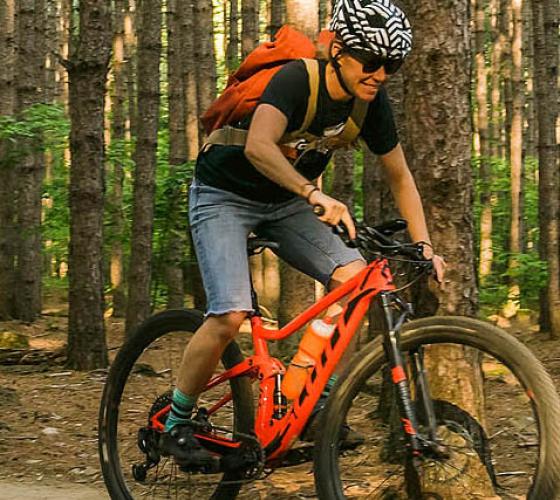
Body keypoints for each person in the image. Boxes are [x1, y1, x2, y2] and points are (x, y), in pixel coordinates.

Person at [159, 0, 446, 465]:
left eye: (391, 64)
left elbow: (400, 176)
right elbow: (258, 147)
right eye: (370, 61)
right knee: (230, 315)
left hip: (285, 202)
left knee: (353, 281)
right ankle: (177, 421)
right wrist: (315, 195)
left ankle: (312, 398)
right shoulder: (296, 79)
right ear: (339, 52)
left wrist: (426, 245)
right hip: (222, 196)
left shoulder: (371, 104)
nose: (380, 74)